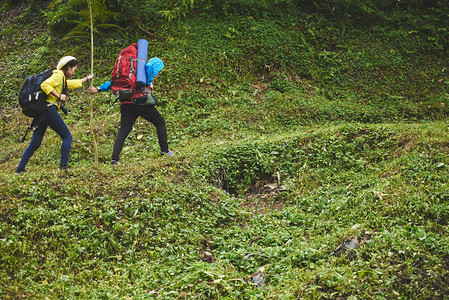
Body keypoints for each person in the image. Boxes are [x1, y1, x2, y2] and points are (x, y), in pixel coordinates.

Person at [15, 56, 93, 174]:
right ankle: (63, 167)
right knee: (67, 136)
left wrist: (86, 79)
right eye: (73, 69)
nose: (74, 72)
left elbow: (68, 84)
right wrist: (58, 96)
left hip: (42, 112)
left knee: (35, 142)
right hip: (49, 110)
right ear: (68, 67)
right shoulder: (57, 76)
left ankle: (19, 169)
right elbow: (45, 85)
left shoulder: (60, 77)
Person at [89, 57, 174, 165]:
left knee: (124, 130)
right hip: (140, 102)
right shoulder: (145, 71)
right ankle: (165, 151)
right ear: (156, 68)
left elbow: (113, 82)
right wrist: (149, 84)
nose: (158, 73)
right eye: (159, 71)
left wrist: (98, 89)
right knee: (160, 122)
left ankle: (115, 159)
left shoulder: (130, 73)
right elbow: (147, 76)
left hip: (126, 104)